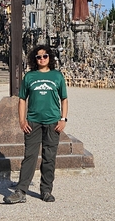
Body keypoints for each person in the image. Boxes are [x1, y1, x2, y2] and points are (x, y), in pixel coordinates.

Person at [4, 44, 68, 204]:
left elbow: (64, 99)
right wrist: (21, 120)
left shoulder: (57, 76)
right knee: (30, 157)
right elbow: (22, 100)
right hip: (33, 122)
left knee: (49, 157)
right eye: (38, 57)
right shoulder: (30, 77)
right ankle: (21, 191)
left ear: (50, 58)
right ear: (35, 59)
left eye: (45, 56)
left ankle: (46, 190)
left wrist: (63, 119)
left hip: (53, 122)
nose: (42, 59)